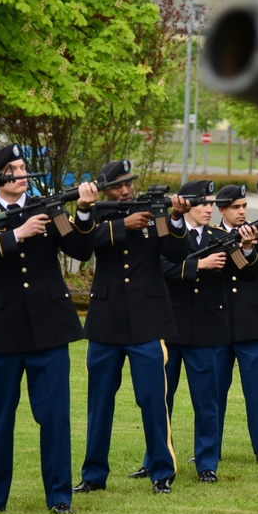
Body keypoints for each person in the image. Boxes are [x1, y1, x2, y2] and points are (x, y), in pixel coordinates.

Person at [0, 144, 97, 514]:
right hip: (2, 329)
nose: (22, 174)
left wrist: (83, 212)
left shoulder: (49, 209)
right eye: (14, 169)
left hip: (49, 329)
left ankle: (59, 497)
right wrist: (17, 234)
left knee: (54, 416)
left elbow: (80, 249)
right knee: (0, 418)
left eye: (23, 167)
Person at [73, 159, 189, 496]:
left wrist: (176, 218)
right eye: (117, 186)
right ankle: (93, 474)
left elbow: (177, 252)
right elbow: (81, 246)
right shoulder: (99, 214)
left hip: (147, 321)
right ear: (105, 189)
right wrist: (124, 224)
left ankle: (162, 470)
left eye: (128, 184)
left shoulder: (155, 214)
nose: (125, 191)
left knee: (153, 400)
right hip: (106, 322)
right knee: (99, 403)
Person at [156, 179, 230, 483]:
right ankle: (157, 458)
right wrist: (199, 265)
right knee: (161, 399)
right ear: (186, 204)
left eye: (211, 203)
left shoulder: (218, 235)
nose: (208, 208)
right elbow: (160, 266)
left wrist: (250, 247)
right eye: (203, 203)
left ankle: (207, 463)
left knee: (207, 401)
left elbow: (242, 268)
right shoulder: (168, 230)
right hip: (171, 327)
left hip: (206, 329)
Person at [213, 185, 258, 465]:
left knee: (256, 389)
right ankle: (210, 447)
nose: (242, 211)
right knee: (214, 391)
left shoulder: (257, 235)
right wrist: (243, 248)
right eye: (235, 207)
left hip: (249, 321)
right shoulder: (212, 235)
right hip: (218, 322)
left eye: (244, 206)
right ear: (221, 210)